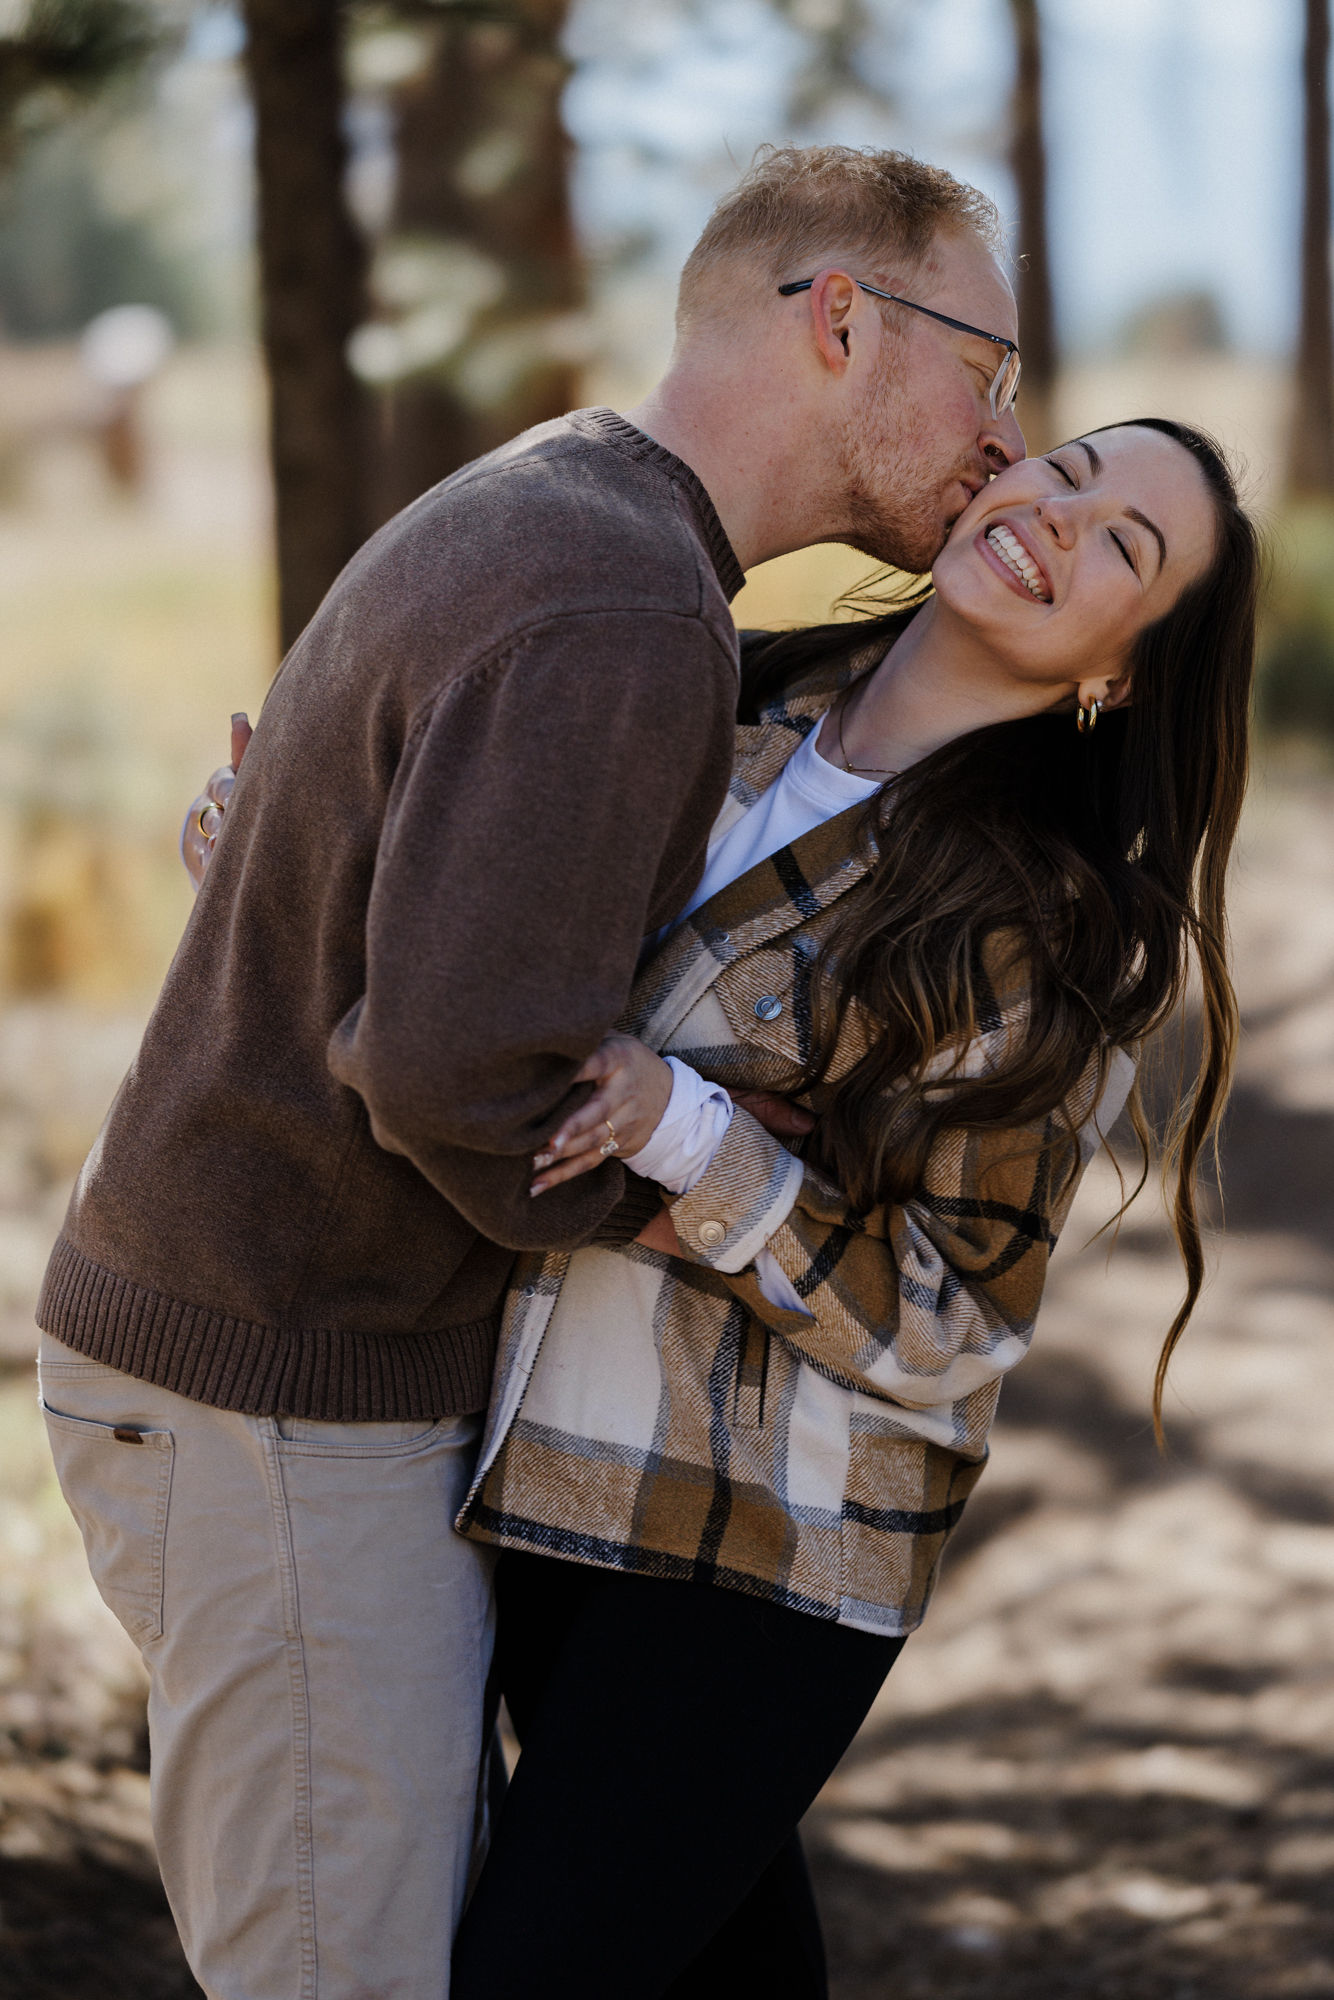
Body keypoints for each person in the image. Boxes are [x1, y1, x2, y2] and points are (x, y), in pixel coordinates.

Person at [35, 145, 1025, 2000]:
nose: (998, 435)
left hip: (266, 1356)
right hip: (283, 1390)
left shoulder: (574, 508)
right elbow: (451, 1068)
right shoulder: (627, 608)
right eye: (986, 366)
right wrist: (702, 1182)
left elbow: (394, 918)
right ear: (839, 321)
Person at [441, 417, 1259, 1997]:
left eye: (1124, 548)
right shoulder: (714, 693)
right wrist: (287, 859)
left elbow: (945, 1317)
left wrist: (688, 1136)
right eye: (1070, 470)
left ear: (1124, 673)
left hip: (762, 1555)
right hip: (533, 1462)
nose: (1057, 517)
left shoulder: (1037, 932)